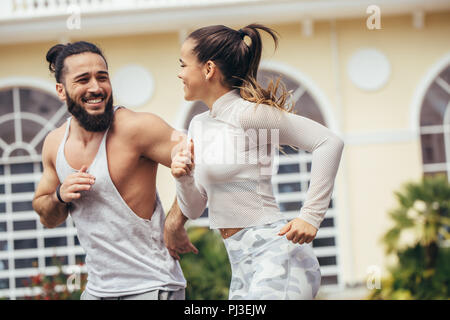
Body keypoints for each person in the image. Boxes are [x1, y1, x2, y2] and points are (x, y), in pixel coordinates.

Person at [169, 24, 344, 299]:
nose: (179, 73)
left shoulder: (248, 115)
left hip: (276, 255)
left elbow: (328, 142)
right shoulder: (199, 124)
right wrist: (183, 179)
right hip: (241, 264)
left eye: (183, 64)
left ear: (208, 69)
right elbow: (194, 207)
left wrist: (311, 215)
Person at [32, 41, 197, 300]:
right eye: (83, 80)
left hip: (153, 286)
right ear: (61, 91)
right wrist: (60, 195)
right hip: (97, 291)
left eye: (102, 77)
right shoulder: (54, 143)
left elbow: (204, 165)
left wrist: (175, 221)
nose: (96, 88)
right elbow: (47, 216)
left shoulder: (138, 128)